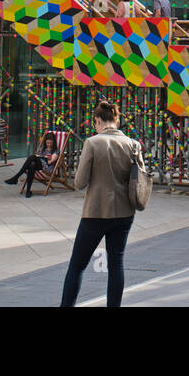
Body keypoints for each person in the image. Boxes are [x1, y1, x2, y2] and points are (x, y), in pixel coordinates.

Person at [60, 101, 139, 307]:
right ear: (116, 120)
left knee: (77, 265)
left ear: (97, 121)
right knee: (116, 265)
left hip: (95, 212)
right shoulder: (133, 144)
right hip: (124, 212)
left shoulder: (92, 143)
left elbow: (79, 182)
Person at [6, 131, 61, 197]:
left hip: (46, 168)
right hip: (39, 165)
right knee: (32, 164)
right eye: (47, 143)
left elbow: (50, 162)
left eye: (50, 143)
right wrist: (41, 157)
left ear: (53, 143)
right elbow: (37, 156)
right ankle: (28, 191)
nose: (49, 144)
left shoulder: (56, 150)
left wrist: (42, 157)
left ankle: (16, 177)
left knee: (32, 157)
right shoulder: (42, 149)